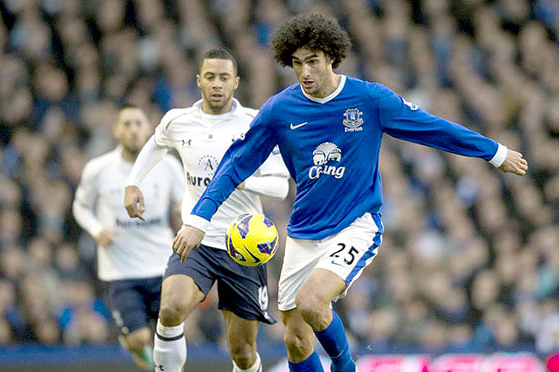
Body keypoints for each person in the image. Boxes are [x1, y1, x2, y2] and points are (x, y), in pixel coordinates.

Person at [173, 14, 529, 372]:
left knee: (312, 302)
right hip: (304, 231)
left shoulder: (369, 99)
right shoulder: (280, 110)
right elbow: (235, 164)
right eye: (297, 64)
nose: (305, 73)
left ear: (331, 56)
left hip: (356, 224)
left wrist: (495, 153)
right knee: (295, 341)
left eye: (312, 61)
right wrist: (200, 218)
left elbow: (431, 128)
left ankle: (345, 367)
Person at [124, 48, 290, 372]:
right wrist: (133, 183)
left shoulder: (257, 123)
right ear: (199, 80)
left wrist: (245, 183)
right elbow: (157, 144)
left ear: (236, 82)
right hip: (195, 239)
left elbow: (281, 187)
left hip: (243, 247)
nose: (217, 84)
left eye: (224, 78)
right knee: (170, 309)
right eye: (210, 77)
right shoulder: (178, 120)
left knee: (242, 352)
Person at [72, 106, 184, 370]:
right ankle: (134, 346)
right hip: (121, 271)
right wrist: (97, 230)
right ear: (116, 130)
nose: (133, 129)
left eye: (138, 123)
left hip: (162, 265)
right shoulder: (98, 169)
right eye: (127, 124)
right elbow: (80, 206)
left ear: (148, 129)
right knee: (139, 338)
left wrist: (183, 210)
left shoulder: (167, 164)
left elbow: (185, 200)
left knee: (170, 336)